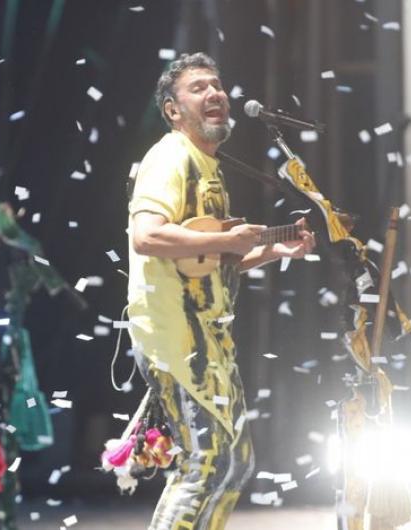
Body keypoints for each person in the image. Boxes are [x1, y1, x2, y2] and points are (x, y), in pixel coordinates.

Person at [127, 52, 315, 529]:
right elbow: (146, 236)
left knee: (236, 464)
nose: (214, 93)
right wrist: (225, 239)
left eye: (216, 85)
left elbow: (210, 260)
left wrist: (276, 251)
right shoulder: (170, 157)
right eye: (198, 88)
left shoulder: (208, 166)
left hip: (208, 339)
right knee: (203, 464)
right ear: (173, 110)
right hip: (174, 336)